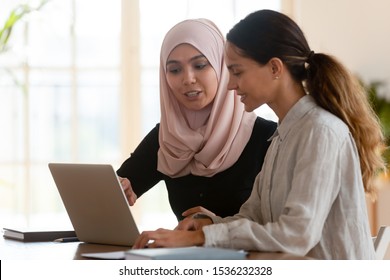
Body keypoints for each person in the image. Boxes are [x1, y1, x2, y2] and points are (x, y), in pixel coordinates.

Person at [132, 10, 386, 260]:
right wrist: (208, 225)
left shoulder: (320, 131)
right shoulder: (282, 135)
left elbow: (298, 235)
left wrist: (200, 238)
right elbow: (253, 216)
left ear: (275, 68)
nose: (230, 84)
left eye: (237, 71)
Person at [116, 18, 276, 221]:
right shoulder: (167, 137)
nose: (188, 79)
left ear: (223, 67)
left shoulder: (268, 138)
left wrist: (215, 227)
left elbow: (281, 225)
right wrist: (119, 189)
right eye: (174, 70)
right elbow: (119, 187)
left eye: (200, 65)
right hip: (187, 254)